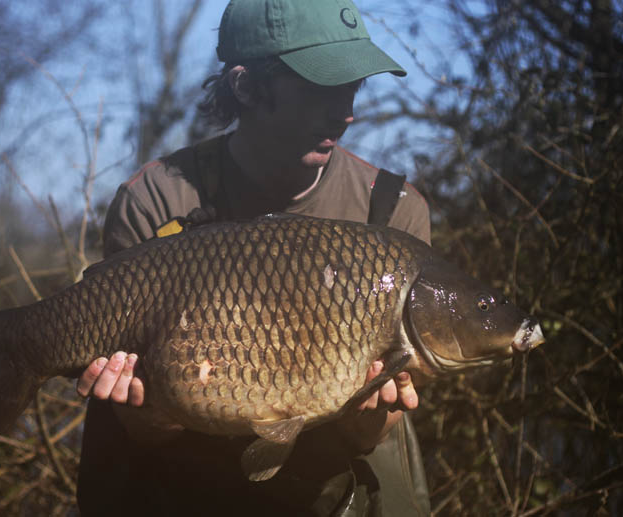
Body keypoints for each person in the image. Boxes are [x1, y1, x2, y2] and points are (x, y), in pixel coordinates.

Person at [75, 1, 431, 515]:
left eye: (352, 87)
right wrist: (148, 413)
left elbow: (376, 430)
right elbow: (145, 430)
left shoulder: (393, 211)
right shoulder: (157, 200)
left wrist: (369, 419)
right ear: (244, 87)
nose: (345, 112)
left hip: (335, 476)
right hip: (188, 472)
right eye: (321, 87)